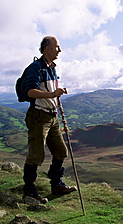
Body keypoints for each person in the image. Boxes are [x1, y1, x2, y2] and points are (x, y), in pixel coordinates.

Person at [23, 36, 76, 203]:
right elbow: (30, 91)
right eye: (57, 47)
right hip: (39, 116)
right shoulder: (36, 67)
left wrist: (56, 92)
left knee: (61, 151)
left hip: (52, 116)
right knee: (36, 156)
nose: (59, 50)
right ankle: (29, 192)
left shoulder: (51, 68)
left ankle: (56, 184)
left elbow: (46, 90)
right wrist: (52, 94)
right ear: (47, 48)